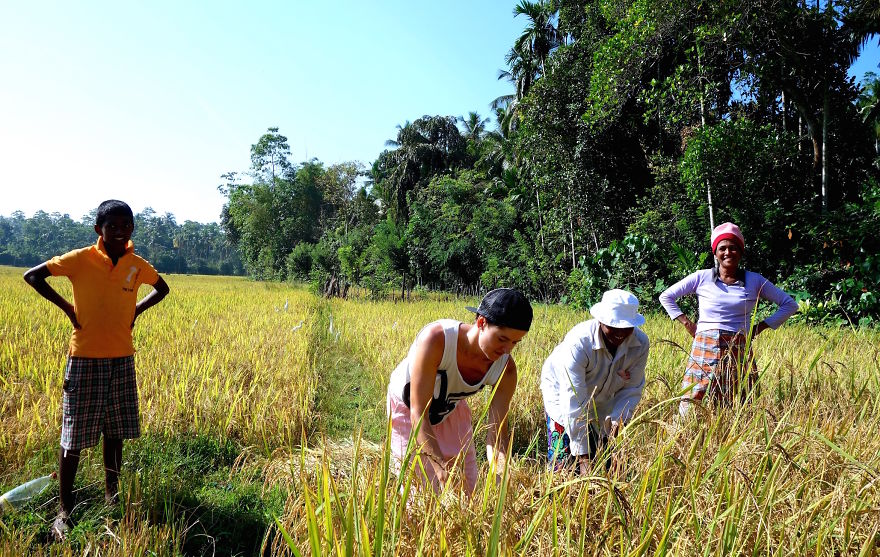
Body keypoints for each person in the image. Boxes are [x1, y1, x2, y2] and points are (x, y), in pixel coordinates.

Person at [23, 200, 170, 541]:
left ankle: (111, 495)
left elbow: (161, 288)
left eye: (126, 225)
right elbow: (33, 276)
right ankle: (65, 511)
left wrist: (136, 311)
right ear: (98, 230)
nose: (120, 231)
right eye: (113, 225)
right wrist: (68, 308)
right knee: (73, 437)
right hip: (86, 357)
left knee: (115, 432)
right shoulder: (80, 259)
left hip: (122, 358)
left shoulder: (136, 265)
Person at [386, 288, 532, 495]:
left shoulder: (506, 370)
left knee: (466, 488)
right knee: (421, 491)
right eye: (502, 339)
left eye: (515, 342)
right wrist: (439, 467)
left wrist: (501, 472)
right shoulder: (437, 340)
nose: (507, 350)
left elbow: (497, 432)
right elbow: (418, 414)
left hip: (451, 408)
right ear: (481, 323)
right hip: (409, 406)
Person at [659, 222, 797, 416]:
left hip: (739, 345)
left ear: (740, 252)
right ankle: (685, 431)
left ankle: (733, 435)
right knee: (695, 393)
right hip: (705, 344)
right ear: (715, 253)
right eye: (722, 248)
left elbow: (790, 304)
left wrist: (760, 327)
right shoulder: (702, 277)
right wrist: (688, 324)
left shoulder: (755, 280)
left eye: (733, 248)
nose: (727, 253)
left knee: (739, 395)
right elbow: (666, 296)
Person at [541, 289, 650, 473]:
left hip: (603, 399)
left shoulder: (640, 344)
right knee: (564, 462)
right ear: (601, 320)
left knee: (607, 462)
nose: (620, 333)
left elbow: (631, 389)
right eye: (613, 326)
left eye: (626, 327)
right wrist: (583, 459)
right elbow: (574, 400)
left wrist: (618, 421)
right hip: (562, 395)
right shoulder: (579, 343)